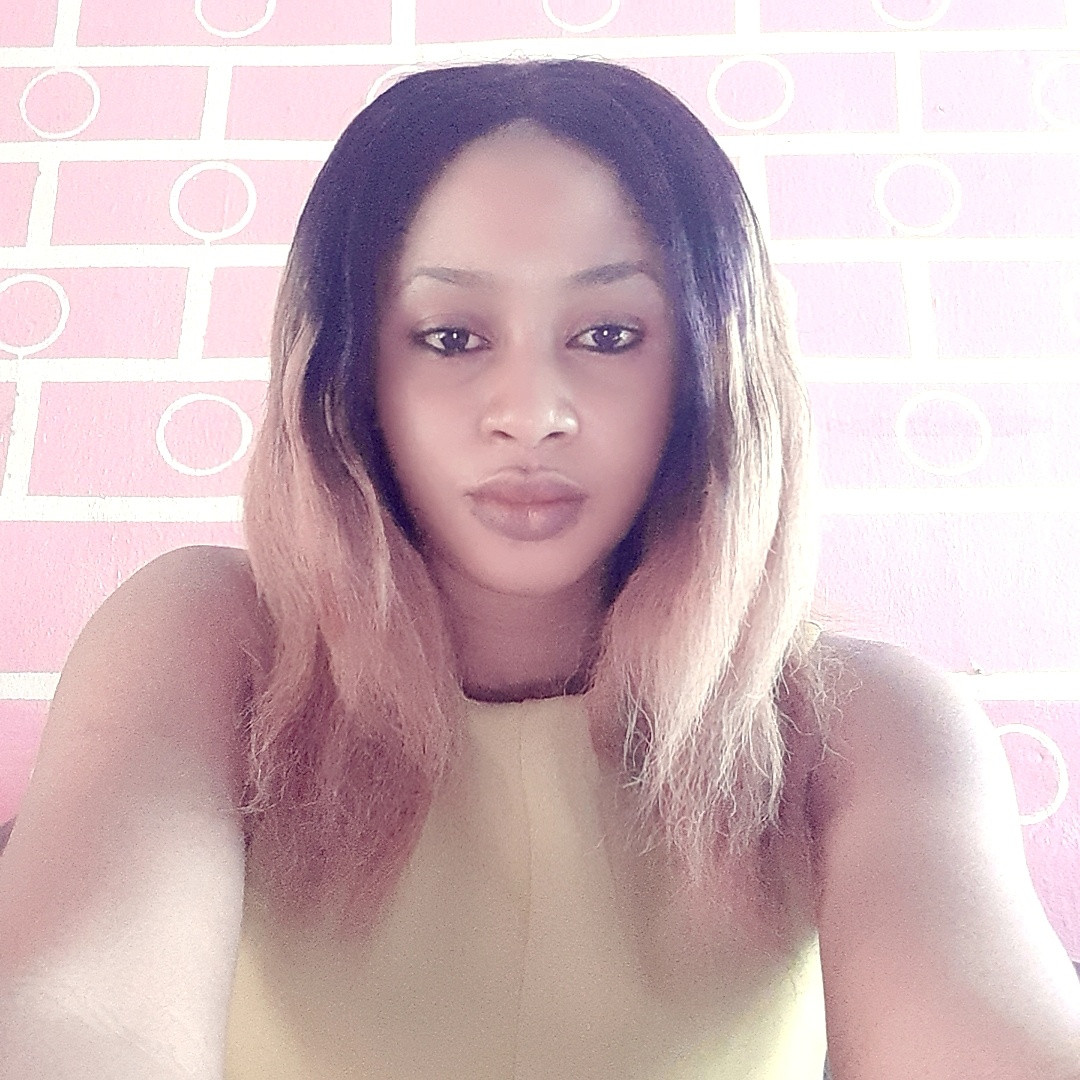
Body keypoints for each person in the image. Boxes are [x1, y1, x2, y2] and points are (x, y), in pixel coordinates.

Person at [0, 58, 1078, 1080]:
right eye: (451, 336)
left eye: (608, 335)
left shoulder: (867, 724)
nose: (530, 414)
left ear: (709, 367)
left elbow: (984, 1029)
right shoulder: (206, 636)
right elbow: (84, 1006)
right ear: (350, 367)